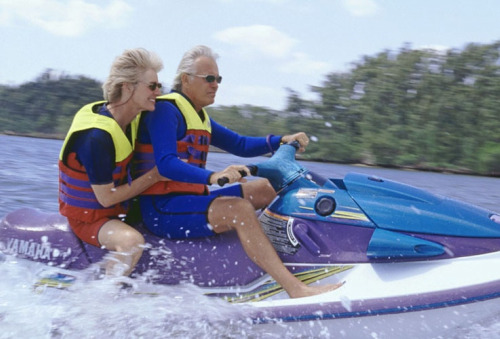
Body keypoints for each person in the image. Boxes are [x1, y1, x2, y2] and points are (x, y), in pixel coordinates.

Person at [134, 45, 343, 298]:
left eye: (218, 79)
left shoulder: (200, 116)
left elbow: (240, 144)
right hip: (162, 209)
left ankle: (310, 255)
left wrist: (281, 140)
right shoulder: (166, 111)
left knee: (268, 187)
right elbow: (166, 163)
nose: (215, 85)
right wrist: (212, 176)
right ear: (186, 80)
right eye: (209, 79)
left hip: (191, 201)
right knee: (238, 209)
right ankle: (295, 288)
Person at [59, 48, 165, 277]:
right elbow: (106, 197)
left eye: (159, 86)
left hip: (116, 213)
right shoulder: (96, 137)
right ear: (127, 86)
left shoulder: (134, 119)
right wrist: (155, 176)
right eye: (152, 86)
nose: (157, 92)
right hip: (88, 219)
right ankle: (102, 304)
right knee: (132, 242)